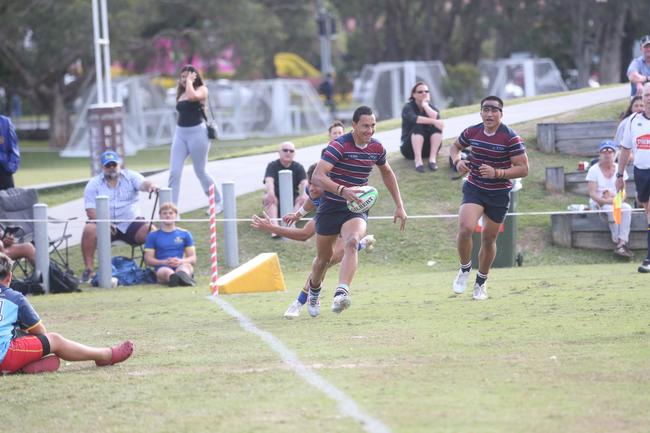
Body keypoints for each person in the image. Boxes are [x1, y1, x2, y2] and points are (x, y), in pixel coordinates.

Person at [300, 105, 407, 317]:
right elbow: (318, 176)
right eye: (365, 126)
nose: (370, 130)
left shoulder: (376, 148)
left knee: (351, 242)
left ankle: (341, 293)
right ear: (354, 125)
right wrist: (342, 190)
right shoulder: (338, 146)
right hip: (331, 205)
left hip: (355, 207)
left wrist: (400, 205)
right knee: (323, 259)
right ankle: (314, 289)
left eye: (373, 125)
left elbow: (387, 173)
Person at [250, 163, 376, 319]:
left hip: (346, 223)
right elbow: (311, 200)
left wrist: (271, 227)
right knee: (322, 262)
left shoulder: (334, 201)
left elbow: (304, 234)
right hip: (330, 220)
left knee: (327, 261)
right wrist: (299, 214)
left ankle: (300, 301)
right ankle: (361, 244)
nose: (311, 188)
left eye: (316, 184)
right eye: (310, 183)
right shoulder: (315, 190)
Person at [449, 96, 529, 300]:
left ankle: (481, 283)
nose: (489, 114)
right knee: (465, 228)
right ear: (481, 112)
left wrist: (497, 173)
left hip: (499, 193)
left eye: (494, 110)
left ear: (501, 114)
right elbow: (454, 147)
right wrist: (457, 161)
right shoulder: (473, 131)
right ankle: (465, 269)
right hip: (474, 187)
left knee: (488, 239)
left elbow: (523, 169)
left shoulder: (510, 138)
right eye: (486, 109)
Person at [0, 253, 133, 374]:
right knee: (55, 340)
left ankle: (20, 368)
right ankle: (105, 355)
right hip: (4, 356)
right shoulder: (15, 298)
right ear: (10, 276)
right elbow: (41, 332)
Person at [81, 150, 159, 282]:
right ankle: (89, 270)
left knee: (152, 231)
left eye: (114, 164)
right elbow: (90, 211)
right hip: (104, 224)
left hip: (131, 222)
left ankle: (156, 267)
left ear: (119, 164)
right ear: (102, 167)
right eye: (108, 165)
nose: (111, 168)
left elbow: (143, 183)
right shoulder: (93, 184)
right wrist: (105, 222)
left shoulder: (131, 176)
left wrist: (151, 186)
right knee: (89, 229)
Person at [168, 65, 222, 213]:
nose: (185, 79)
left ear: (195, 77)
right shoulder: (180, 93)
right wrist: (187, 83)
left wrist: (190, 82)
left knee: (200, 171)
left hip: (198, 134)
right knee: (174, 172)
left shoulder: (202, 89)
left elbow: (192, 97)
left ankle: (217, 201)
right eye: (183, 76)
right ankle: (171, 210)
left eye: (188, 76)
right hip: (180, 134)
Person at [617, 82, 650, 273]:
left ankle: (648, 259)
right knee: (646, 209)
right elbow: (625, 149)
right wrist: (620, 175)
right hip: (641, 172)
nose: (649, 98)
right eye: (646, 95)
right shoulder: (633, 121)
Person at [587, 140, 633, 258]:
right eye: (604, 151)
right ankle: (616, 239)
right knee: (609, 209)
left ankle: (622, 242)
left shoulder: (620, 169)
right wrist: (608, 201)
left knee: (627, 208)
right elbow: (592, 193)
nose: (607, 154)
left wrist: (618, 201)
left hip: (615, 200)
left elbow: (623, 192)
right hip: (599, 201)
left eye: (610, 151)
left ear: (615, 154)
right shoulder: (593, 169)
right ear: (600, 154)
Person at [262, 142, 309, 238]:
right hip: (276, 198)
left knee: (303, 199)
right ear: (279, 152)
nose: (288, 152)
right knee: (268, 197)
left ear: (294, 154)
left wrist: (304, 194)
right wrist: (271, 193)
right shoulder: (272, 165)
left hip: (292, 198)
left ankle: (290, 225)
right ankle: (274, 228)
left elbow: (305, 182)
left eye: (291, 151)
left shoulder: (298, 167)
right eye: (285, 150)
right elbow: (269, 180)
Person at [144, 202, 196, 287]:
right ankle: (174, 279)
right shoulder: (152, 235)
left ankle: (183, 277)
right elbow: (148, 260)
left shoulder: (185, 234)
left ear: (176, 215)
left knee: (184, 268)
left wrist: (180, 261)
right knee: (167, 272)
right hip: (162, 267)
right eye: (164, 213)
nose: (168, 216)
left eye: (171, 213)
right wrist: (164, 262)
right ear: (160, 216)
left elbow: (193, 258)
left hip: (181, 264)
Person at [400, 81, 444, 173]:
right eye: (420, 92)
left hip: (428, 148)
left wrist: (425, 105)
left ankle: (432, 160)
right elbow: (415, 119)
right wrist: (435, 121)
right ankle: (418, 161)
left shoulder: (430, 107)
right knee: (418, 126)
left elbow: (436, 118)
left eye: (426, 91)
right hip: (409, 149)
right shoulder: (408, 107)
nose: (424, 93)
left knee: (437, 128)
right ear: (414, 94)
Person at [0, 114, 20, 190]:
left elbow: (14, 147)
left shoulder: (5, 122)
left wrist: (10, 167)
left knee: (7, 200)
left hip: (3, 170)